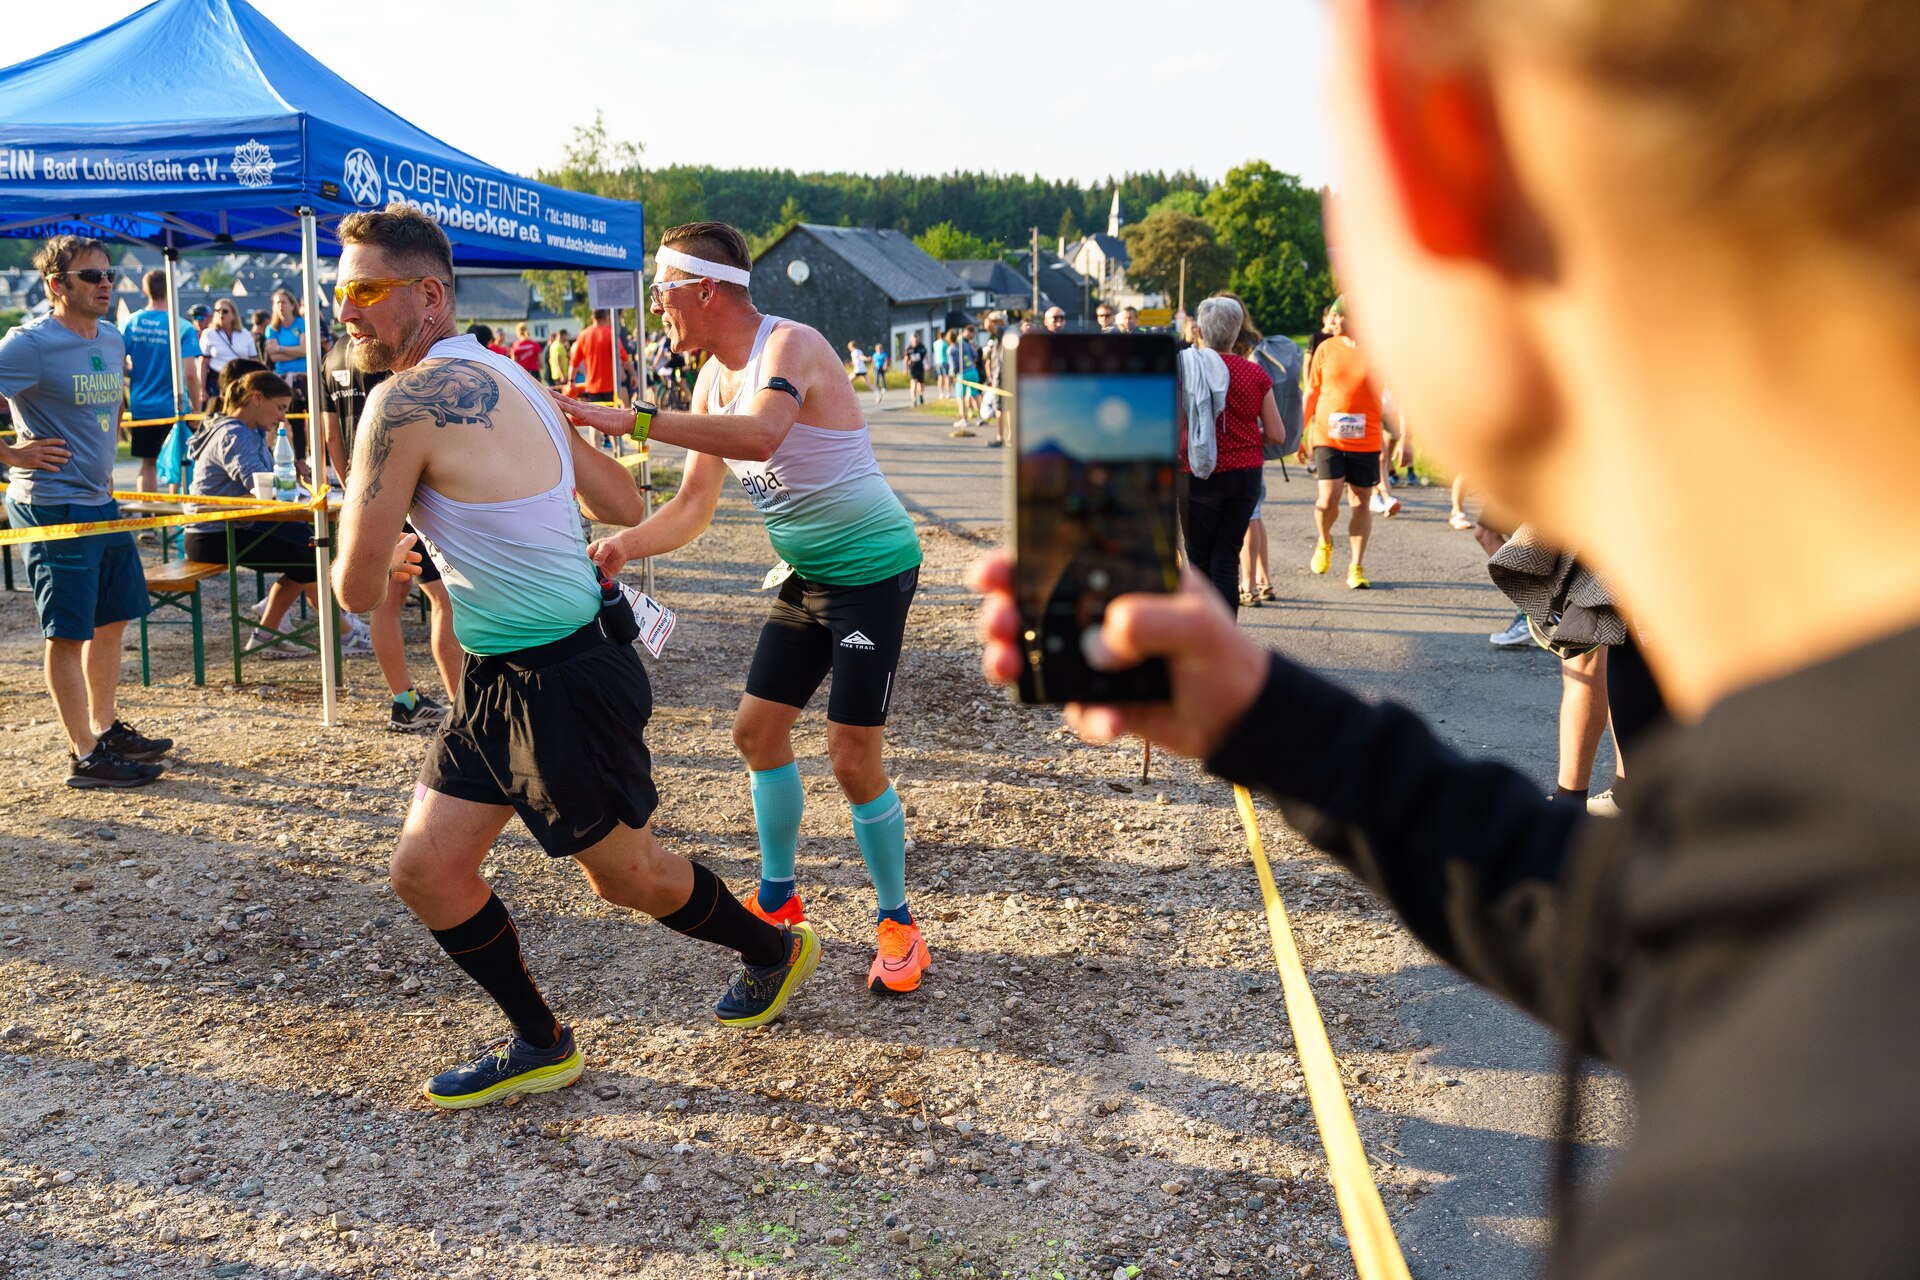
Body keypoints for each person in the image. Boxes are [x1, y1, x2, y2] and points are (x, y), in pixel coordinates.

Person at [977, 0, 1920, 1270]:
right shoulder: (1852, 844)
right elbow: (1697, 945)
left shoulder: (1777, 1209)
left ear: (1440, 138)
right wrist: (1267, 718)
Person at [330, 204, 819, 1109]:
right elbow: (623, 501)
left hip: (563, 678)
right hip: (499, 676)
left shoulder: (399, 406)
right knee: (426, 871)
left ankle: (773, 948)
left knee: (630, 878)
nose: (346, 312)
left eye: (365, 291)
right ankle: (540, 1040)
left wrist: (368, 530)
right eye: (340, 294)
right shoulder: (510, 373)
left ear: (430, 296)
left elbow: (356, 593)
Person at [553, 220, 931, 998]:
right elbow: (694, 506)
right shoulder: (707, 382)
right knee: (755, 733)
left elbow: (761, 436)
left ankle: (898, 922)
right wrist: (624, 544)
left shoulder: (789, 345)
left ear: (703, 290)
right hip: (807, 575)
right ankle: (779, 897)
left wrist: (634, 420)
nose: (657, 310)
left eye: (662, 294)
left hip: (872, 573)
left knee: (851, 756)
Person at [0, 237, 171, 788]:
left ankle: (104, 727)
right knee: (68, 632)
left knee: (112, 617)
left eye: (109, 274)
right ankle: (86, 755)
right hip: (51, 503)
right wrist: (12, 453)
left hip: (100, 498)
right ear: (57, 284)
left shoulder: (112, 335)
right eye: (91, 276)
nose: (106, 284)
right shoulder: (29, 344)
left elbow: (110, 404)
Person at [319, 324, 460, 730]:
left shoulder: (331, 358)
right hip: (405, 488)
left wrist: (356, 493)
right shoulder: (386, 347)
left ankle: (405, 700)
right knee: (443, 599)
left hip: (364, 488)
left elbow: (331, 436)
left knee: (389, 599)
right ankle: (461, 708)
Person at [183, 371, 319, 657]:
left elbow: (264, 489)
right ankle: (343, 631)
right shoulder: (234, 434)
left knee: (313, 544)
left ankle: (269, 632)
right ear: (257, 398)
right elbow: (261, 488)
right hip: (214, 534)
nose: (283, 417)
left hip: (227, 527)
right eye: (280, 407)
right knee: (311, 551)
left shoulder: (245, 431)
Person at [1178, 297, 1286, 615]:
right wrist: (1246, 440)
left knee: (1199, 560)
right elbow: (1276, 434)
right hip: (1244, 475)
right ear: (1237, 331)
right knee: (1226, 559)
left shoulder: (1186, 371)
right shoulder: (1254, 374)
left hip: (1196, 473)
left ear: (1200, 331)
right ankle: (1225, 632)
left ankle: (1203, 633)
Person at [1302, 296, 1382, 589]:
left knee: (1361, 501)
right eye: (1332, 316)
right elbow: (1312, 392)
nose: (1332, 321)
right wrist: (1300, 433)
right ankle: (1324, 540)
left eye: (1338, 316)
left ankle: (1355, 566)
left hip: (1366, 439)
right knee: (1328, 499)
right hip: (1328, 435)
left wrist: (1406, 438)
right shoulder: (1325, 348)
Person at [122, 267, 205, 495]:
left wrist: (136, 373)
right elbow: (190, 373)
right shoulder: (182, 326)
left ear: (144, 290)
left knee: (148, 463)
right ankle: (179, 512)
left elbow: (116, 364)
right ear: (170, 290)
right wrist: (197, 408)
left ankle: (147, 512)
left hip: (142, 405)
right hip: (175, 406)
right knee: (180, 461)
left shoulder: (131, 323)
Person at [262, 289, 310, 457]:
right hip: (283, 379)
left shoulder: (301, 323)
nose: (280, 306)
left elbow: (305, 350)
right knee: (292, 422)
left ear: (292, 305)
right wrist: (295, 351)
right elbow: (273, 356)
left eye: (283, 302)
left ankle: (314, 458)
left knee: (310, 419)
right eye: (277, 303)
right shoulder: (272, 328)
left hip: (304, 376)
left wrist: (281, 348)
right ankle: (298, 459)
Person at [199, 299, 258, 409]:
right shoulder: (208, 334)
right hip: (216, 381)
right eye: (217, 311)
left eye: (225, 311)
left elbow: (254, 361)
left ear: (233, 315)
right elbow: (203, 363)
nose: (221, 314)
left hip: (240, 380)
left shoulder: (245, 334)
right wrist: (201, 389)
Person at [569, 310, 617, 403]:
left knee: (595, 410)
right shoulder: (611, 333)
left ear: (593, 318)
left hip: (592, 385)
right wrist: (632, 373)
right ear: (606, 318)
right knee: (610, 410)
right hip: (610, 384)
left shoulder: (584, 335)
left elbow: (574, 361)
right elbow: (623, 357)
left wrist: (571, 381)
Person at [904, 330, 928, 406]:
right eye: (913, 338)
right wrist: (905, 369)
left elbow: (926, 356)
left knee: (920, 385)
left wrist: (927, 364)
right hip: (912, 368)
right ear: (911, 339)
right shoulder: (909, 348)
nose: (915, 340)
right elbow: (906, 359)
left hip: (920, 367)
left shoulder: (922, 347)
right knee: (913, 384)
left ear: (918, 338)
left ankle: (921, 395)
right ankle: (914, 400)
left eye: (916, 338)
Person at [869, 342, 888, 406]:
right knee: (876, 377)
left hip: (882, 368)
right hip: (876, 368)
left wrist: (885, 366)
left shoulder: (884, 354)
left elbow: (885, 361)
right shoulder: (874, 354)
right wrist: (872, 368)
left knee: (882, 377)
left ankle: (883, 387)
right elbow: (873, 362)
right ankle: (876, 387)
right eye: (878, 349)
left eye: (880, 349)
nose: (879, 350)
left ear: (882, 349)